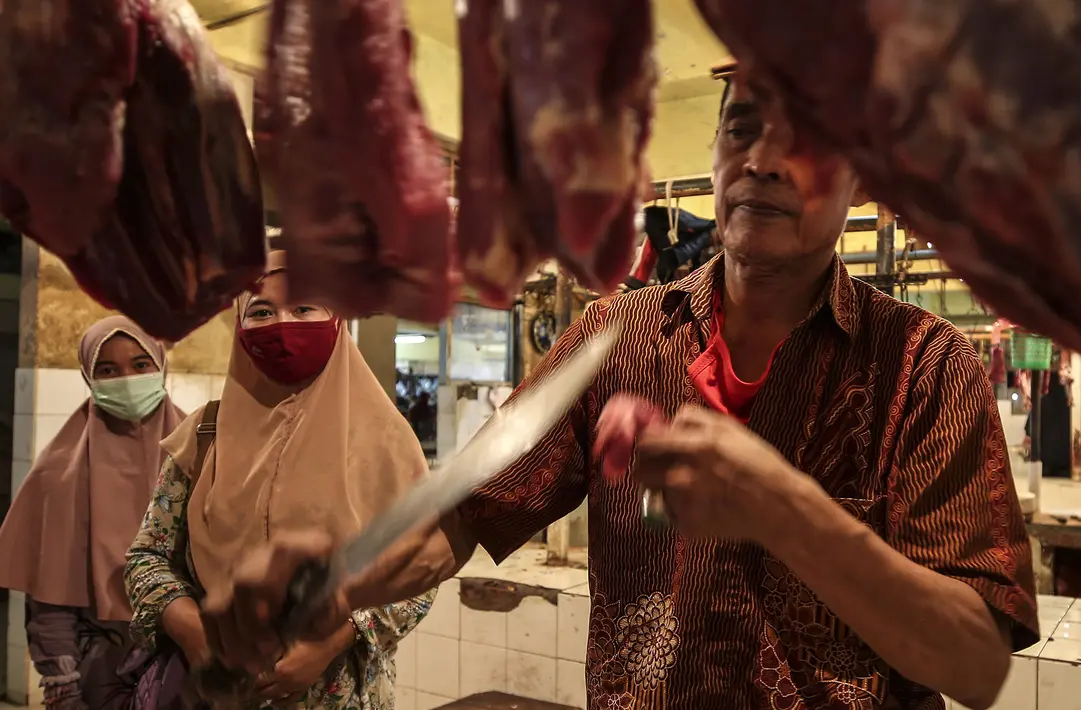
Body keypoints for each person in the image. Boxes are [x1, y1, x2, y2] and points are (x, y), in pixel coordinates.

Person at [200, 70, 1038, 710]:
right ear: (712, 159)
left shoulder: (927, 367)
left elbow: (974, 664)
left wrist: (786, 509)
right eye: (741, 127)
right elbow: (465, 514)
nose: (763, 161)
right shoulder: (613, 339)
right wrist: (336, 579)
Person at [123, 250, 435, 708]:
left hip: (338, 694)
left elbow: (420, 571)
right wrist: (194, 632)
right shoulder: (206, 434)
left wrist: (330, 643)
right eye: (261, 311)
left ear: (336, 319)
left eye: (304, 307)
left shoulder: (384, 440)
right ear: (240, 328)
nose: (282, 323)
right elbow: (146, 555)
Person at [0, 316, 185, 709]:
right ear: (89, 378)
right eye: (107, 370)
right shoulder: (58, 474)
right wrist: (62, 684)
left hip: (189, 665)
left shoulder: (197, 453)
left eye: (140, 365)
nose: (127, 379)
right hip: (96, 675)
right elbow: (48, 599)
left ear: (160, 365)